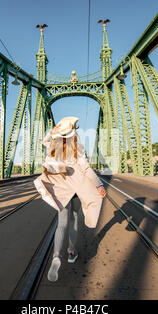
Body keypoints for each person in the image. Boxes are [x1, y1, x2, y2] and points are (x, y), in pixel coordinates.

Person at [33, 116, 106, 282]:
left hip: (61, 190)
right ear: (74, 133)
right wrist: (99, 185)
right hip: (76, 190)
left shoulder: (53, 146)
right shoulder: (78, 148)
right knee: (74, 219)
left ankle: (56, 255)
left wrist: (55, 130)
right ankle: (71, 251)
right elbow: (87, 169)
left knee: (62, 222)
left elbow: (44, 140)